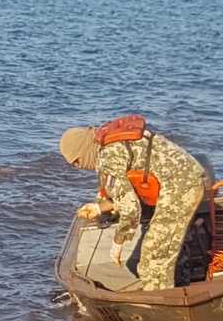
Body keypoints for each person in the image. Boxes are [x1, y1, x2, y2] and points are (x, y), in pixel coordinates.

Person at [59, 114, 206, 291]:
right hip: (178, 179)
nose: (79, 167)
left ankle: (161, 305)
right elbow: (123, 191)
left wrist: (118, 242)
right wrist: (99, 207)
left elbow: (131, 209)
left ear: (83, 150)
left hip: (181, 184)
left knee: (153, 258)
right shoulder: (107, 145)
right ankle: (178, 281)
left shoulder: (108, 157)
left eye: (77, 162)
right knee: (162, 245)